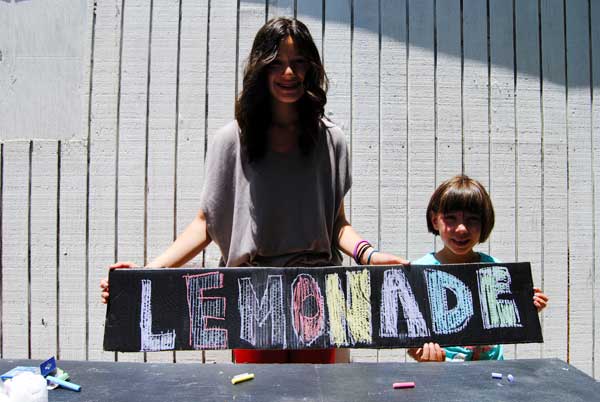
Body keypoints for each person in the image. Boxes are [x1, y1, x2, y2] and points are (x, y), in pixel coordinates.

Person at [100, 17, 407, 364]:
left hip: (319, 294)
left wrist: (368, 255)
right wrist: (147, 272)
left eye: (297, 62)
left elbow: (336, 224)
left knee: (314, 394)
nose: (288, 73)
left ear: (311, 68)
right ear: (260, 68)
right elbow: (206, 223)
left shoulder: (331, 139)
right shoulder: (232, 140)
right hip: (250, 294)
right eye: (276, 63)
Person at [408, 175, 549, 362]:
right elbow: (408, 336)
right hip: (439, 376)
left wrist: (525, 308)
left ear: (484, 223)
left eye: (472, 220)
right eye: (450, 218)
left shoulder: (497, 270)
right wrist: (421, 355)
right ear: (435, 221)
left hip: (491, 376)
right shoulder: (417, 272)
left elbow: (504, 322)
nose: (461, 229)